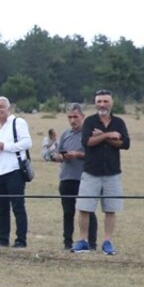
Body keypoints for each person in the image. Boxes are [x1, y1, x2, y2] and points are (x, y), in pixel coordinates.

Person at [75, 89, 131, 255]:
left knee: (110, 209)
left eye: (105, 101)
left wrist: (103, 136)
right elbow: (88, 142)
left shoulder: (119, 122)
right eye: (99, 101)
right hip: (91, 172)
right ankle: (83, 241)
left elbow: (125, 143)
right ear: (95, 103)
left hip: (112, 172)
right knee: (84, 207)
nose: (102, 105)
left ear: (111, 103)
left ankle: (107, 241)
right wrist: (110, 136)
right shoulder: (90, 122)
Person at [0, 96, 31, 248]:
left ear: (8, 108)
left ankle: (20, 240)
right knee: (2, 208)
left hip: (14, 170)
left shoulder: (18, 123)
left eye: (1, 107)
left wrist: (5, 146)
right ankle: (3, 238)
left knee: (18, 206)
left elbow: (27, 142)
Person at [55, 103, 98, 251]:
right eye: (70, 117)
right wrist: (61, 157)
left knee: (87, 211)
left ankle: (91, 243)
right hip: (66, 178)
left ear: (82, 117)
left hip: (85, 179)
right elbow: (58, 153)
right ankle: (67, 243)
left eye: (76, 117)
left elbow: (95, 156)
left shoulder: (90, 135)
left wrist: (78, 154)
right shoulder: (65, 134)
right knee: (68, 213)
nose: (73, 120)